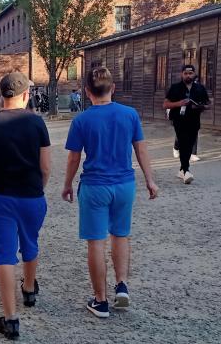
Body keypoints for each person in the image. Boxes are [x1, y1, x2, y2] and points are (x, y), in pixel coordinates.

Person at [62, 67, 158, 319]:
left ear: (87, 92)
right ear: (113, 88)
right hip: (124, 184)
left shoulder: (81, 120)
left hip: (95, 186)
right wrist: (150, 180)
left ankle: (100, 300)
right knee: (121, 235)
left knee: (96, 241)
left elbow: (73, 158)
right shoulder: (130, 115)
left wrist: (67, 184)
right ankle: (122, 284)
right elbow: (141, 149)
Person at [0, 72, 50, 340]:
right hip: (31, 196)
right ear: (26, 95)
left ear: (2, 94)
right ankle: (28, 289)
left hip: (1, 196)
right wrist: (39, 187)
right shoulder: (37, 123)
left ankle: (11, 319)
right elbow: (45, 167)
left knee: (4, 255)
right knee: (30, 242)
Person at [163, 64, 210, 184]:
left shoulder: (200, 88)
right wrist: (179, 103)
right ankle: (186, 171)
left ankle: (181, 170)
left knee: (189, 145)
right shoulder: (175, 88)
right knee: (183, 144)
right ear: (182, 74)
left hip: (194, 120)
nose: (188, 75)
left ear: (194, 74)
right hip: (179, 120)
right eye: (185, 73)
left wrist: (200, 106)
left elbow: (208, 104)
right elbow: (165, 104)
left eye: (190, 73)